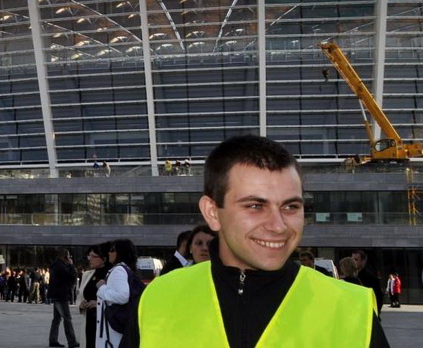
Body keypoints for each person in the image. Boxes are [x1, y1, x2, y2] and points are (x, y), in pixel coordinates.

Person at [130, 134, 389, 347]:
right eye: (255, 206)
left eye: (290, 207)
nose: (278, 226)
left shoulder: (352, 309)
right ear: (212, 212)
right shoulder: (156, 299)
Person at [96, 239, 139, 348]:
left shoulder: (118, 270)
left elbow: (123, 296)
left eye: (112, 250)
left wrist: (102, 288)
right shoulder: (127, 269)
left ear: (120, 252)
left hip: (113, 328)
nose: (109, 253)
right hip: (117, 325)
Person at [78, 242, 111, 348]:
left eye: (93, 256)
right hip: (89, 321)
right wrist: (81, 304)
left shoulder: (112, 274)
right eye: (89, 255)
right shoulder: (87, 275)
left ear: (104, 258)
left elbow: (116, 298)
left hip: (105, 322)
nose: (90, 259)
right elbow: (80, 295)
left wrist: (98, 304)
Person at [47, 248, 79, 348]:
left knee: (56, 319)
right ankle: (72, 341)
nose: (70, 258)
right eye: (69, 256)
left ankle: (53, 340)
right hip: (61, 295)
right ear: (65, 256)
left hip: (57, 294)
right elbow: (71, 277)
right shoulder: (61, 266)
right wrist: (71, 265)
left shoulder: (55, 265)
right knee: (67, 318)